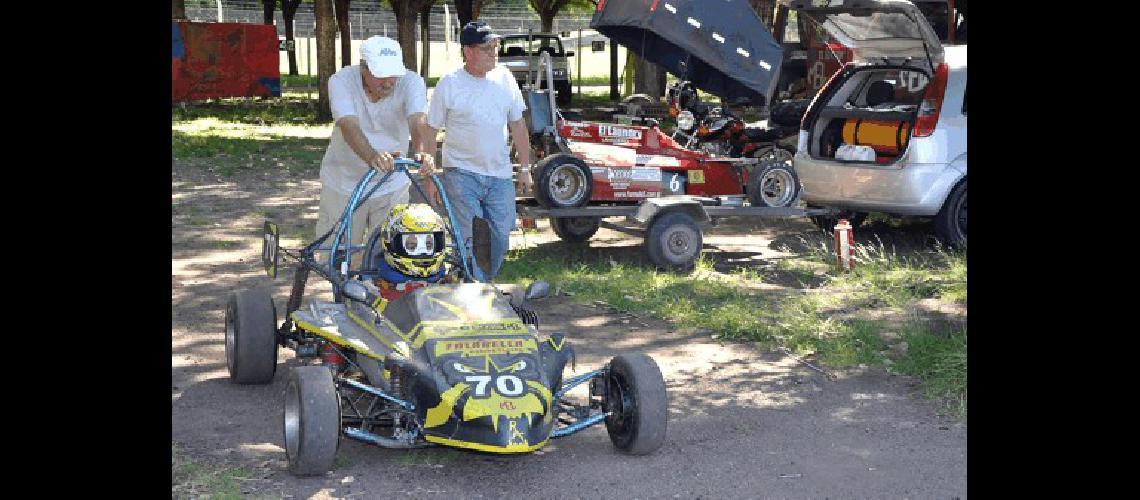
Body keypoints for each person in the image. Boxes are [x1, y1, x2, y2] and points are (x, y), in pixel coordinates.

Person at [422, 21, 531, 282]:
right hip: (461, 173)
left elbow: (518, 124)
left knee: (501, 236)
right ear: (468, 52)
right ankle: (476, 290)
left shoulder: (505, 78)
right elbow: (430, 130)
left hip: (500, 174)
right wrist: (429, 176)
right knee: (471, 238)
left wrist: (525, 169)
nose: (494, 52)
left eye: (496, 46)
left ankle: (470, 280)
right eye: (487, 48)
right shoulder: (449, 84)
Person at [314, 35, 437, 254]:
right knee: (336, 256)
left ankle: (384, 288)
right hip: (343, 183)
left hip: (392, 184)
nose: (390, 81)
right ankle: (343, 287)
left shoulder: (411, 81)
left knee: (390, 255)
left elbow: (418, 120)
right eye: (382, 75)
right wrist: (373, 156)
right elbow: (348, 125)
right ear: (364, 68)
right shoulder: (341, 81)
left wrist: (421, 152)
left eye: (394, 75)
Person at [368, 203, 453, 300]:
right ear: (393, 244)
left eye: (428, 245)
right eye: (412, 246)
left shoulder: (445, 280)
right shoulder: (378, 287)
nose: (422, 252)